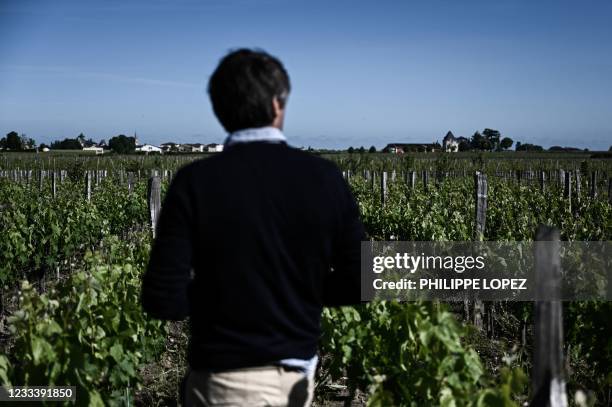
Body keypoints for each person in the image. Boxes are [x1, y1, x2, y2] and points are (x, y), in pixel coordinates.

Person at [142, 48, 365, 407]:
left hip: (216, 382)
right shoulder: (325, 179)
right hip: (290, 382)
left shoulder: (194, 182)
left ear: (219, 111)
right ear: (279, 105)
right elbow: (360, 280)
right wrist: (297, 290)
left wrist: (224, 291)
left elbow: (162, 298)